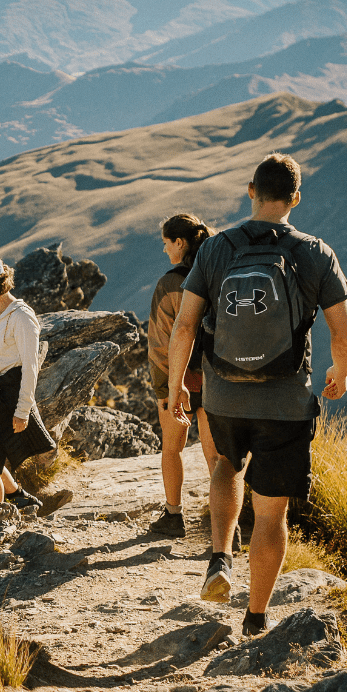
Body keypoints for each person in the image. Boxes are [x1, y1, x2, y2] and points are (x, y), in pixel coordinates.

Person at [167, 154, 347, 637]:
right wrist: (341, 371)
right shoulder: (315, 252)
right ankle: (255, 618)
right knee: (272, 513)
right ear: (295, 198)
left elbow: (185, 324)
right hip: (286, 402)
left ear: (250, 190)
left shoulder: (215, 250)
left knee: (225, 466)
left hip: (225, 395)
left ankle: (219, 557)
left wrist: (176, 389)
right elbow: (342, 329)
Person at [0, 255, 72, 517]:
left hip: (9, 395)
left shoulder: (21, 317)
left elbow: (31, 367)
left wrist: (22, 410)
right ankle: (17, 496)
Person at [146, 213, 223, 539]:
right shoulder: (219, 274)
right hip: (218, 377)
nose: (165, 250)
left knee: (172, 448)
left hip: (181, 378)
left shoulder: (171, 284)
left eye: (166, 243)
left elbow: (161, 342)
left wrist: (166, 388)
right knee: (216, 456)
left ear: (180, 242)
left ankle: (173, 517)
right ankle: (223, 526)